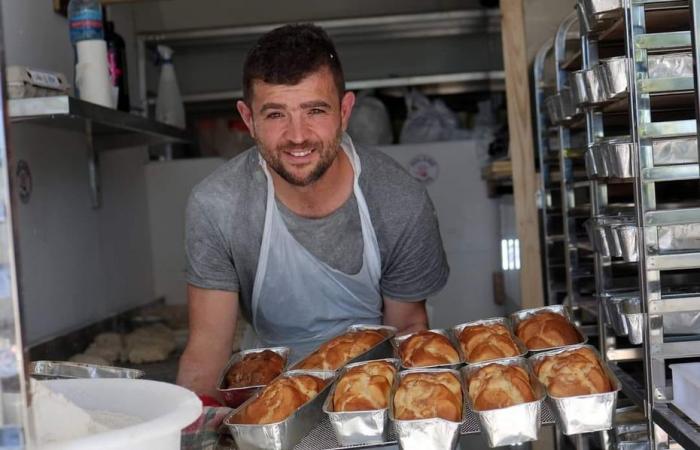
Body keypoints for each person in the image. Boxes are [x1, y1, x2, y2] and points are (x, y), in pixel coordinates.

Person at [177, 23, 449, 399]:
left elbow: (408, 330)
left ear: (344, 110)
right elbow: (208, 349)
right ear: (247, 119)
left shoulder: (398, 200)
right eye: (275, 114)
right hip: (268, 408)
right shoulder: (217, 206)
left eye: (315, 110)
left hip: (375, 402)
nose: (298, 135)